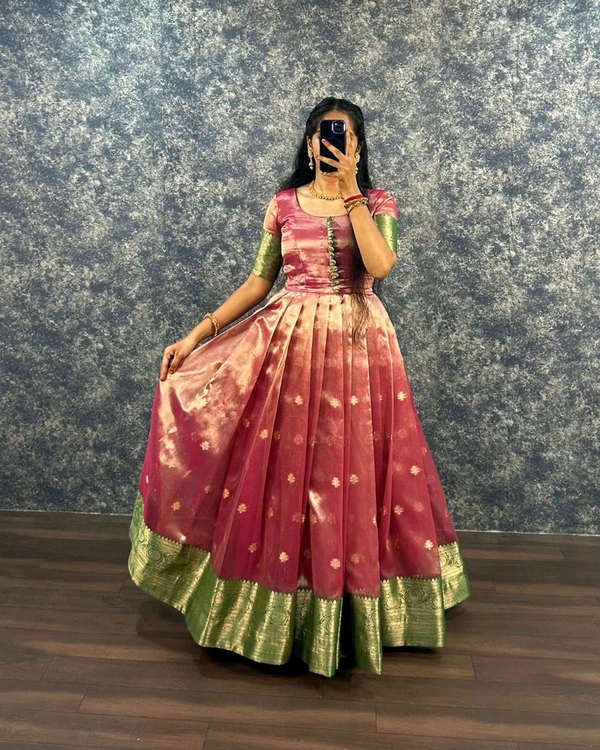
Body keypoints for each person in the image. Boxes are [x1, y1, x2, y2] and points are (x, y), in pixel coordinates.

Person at [128, 97, 471, 677]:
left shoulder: (379, 202)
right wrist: (196, 335)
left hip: (361, 351)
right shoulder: (284, 204)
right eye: (324, 134)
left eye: (345, 135)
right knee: (291, 474)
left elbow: (381, 267)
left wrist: (352, 191)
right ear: (310, 143)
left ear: (357, 145)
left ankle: (353, 607)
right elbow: (258, 282)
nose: (332, 143)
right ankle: (276, 610)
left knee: (355, 471)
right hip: (291, 350)